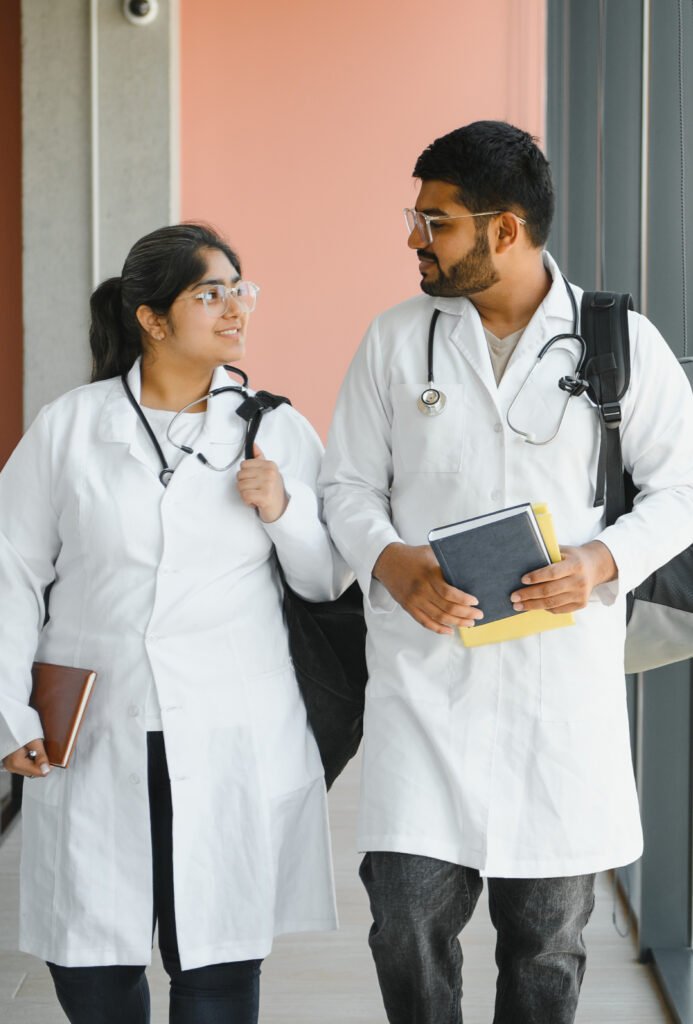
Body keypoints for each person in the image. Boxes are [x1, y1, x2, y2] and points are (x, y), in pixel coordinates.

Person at [320, 121, 693, 1024]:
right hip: (424, 680)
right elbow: (344, 485)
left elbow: (683, 490)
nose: (413, 236)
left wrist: (601, 559)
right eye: (415, 216)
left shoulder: (618, 342)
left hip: (556, 691)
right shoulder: (395, 340)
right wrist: (391, 557)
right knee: (404, 924)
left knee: (544, 947)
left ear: (502, 229)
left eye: (433, 221)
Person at [0, 223, 351, 1024]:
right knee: (89, 962)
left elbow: (325, 577)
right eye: (210, 293)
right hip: (92, 730)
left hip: (231, 733)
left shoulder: (274, 429)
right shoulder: (70, 427)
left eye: (240, 290)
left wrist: (283, 508)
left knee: (218, 965)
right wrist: (6, 713)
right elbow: (8, 572)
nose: (235, 309)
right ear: (152, 320)